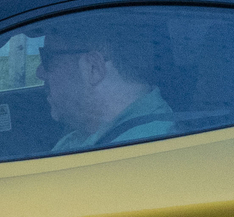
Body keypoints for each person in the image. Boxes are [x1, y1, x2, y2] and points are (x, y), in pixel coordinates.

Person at [41, 19, 176, 153]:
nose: (39, 72)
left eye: (47, 59)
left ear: (93, 68)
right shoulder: (93, 135)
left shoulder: (137, 153)